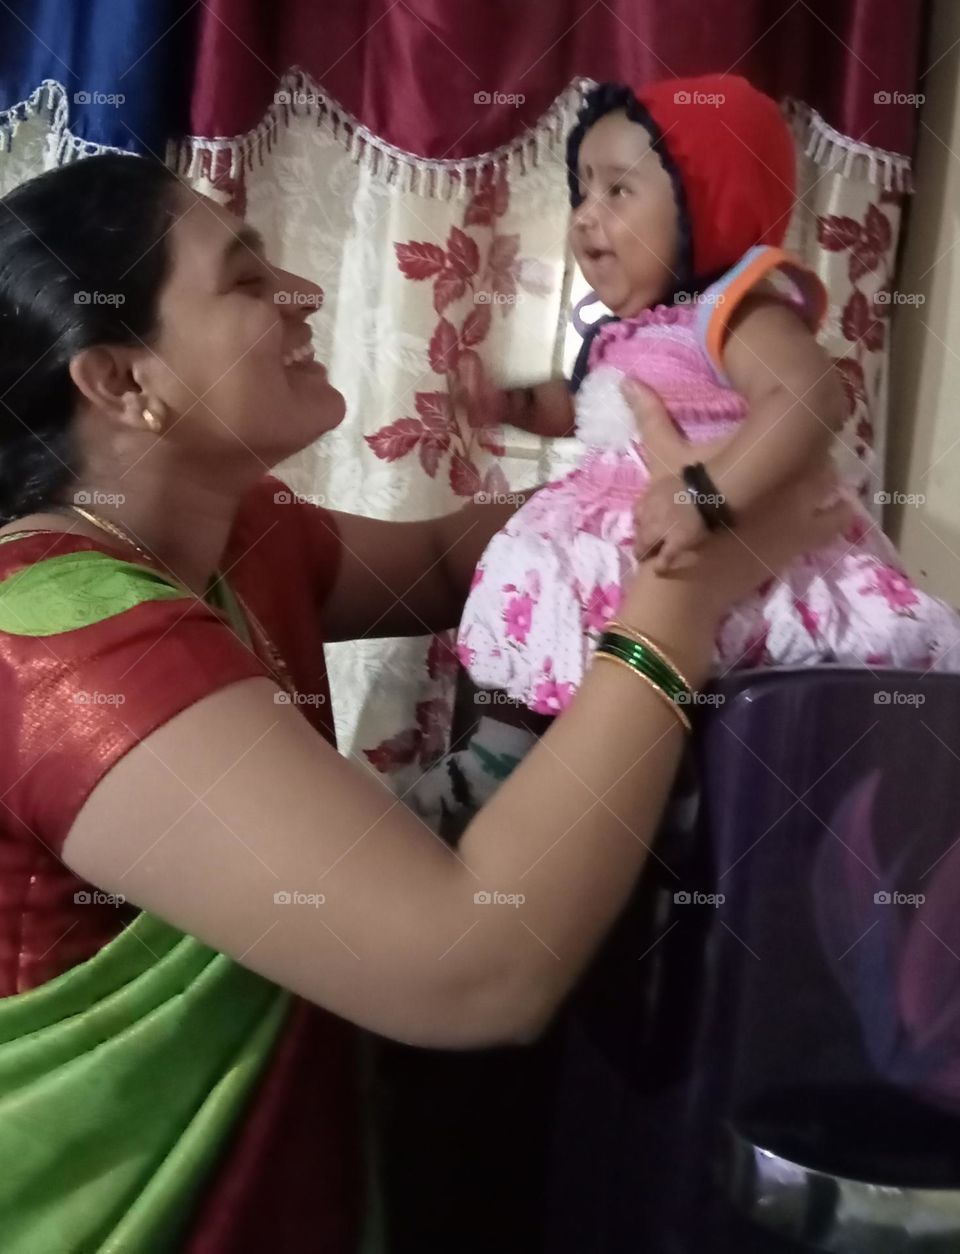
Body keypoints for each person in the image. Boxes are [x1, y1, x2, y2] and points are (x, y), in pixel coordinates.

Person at [0, 152, 846, 1253]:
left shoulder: (237, 539)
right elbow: (473, 970)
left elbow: (448, 558)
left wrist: (686, 483)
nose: (301, 294)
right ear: (121, 382)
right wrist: (684, 600)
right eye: (248, 280)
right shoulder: (66, 646)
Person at [425, 74, 960, 824]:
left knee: (647, 674)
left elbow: (811, 398)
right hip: (636, 535)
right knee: (540, 613)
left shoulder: (736, 310)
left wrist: (707, 490)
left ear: (707, 206)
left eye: (618, 191)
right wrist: (509, 405)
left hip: (724, 536)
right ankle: (506, 768)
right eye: (582, 191)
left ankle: (574, 792)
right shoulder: (626, 334)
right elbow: (580, 407)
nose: (585, 217)